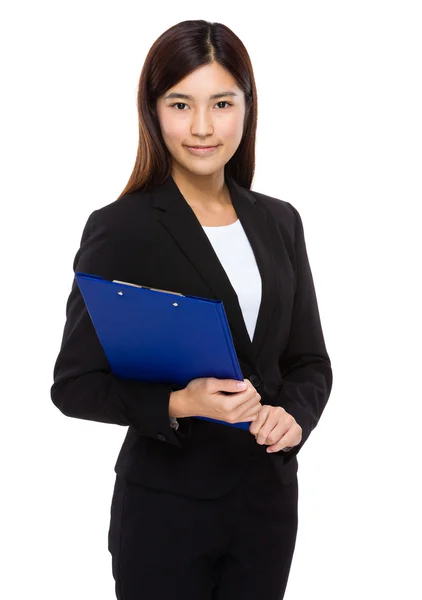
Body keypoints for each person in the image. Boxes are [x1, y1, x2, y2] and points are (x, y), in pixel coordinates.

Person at [50, 19, 333, 600]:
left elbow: (309, 361)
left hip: (266, 507)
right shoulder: (120, 228)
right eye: (181, 104)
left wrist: (294, 417)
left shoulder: (280, 221)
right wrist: (182, 402)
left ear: (246, 109)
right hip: (164, 512)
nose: (202, 127)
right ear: (153, 111)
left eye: (221, 103)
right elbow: (74, 385)